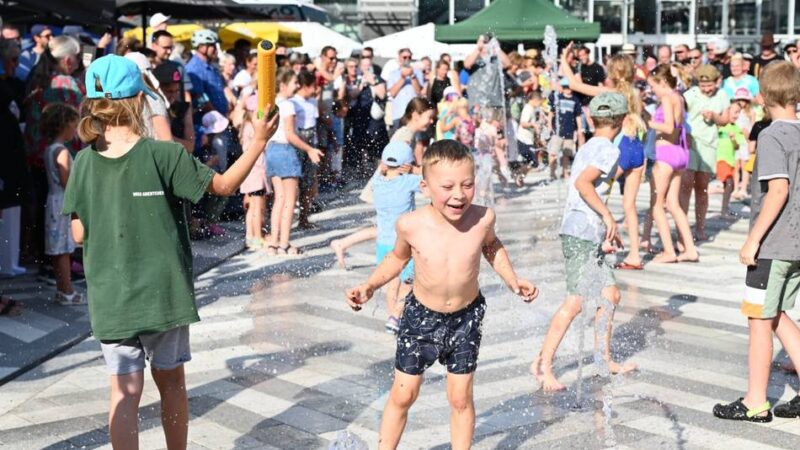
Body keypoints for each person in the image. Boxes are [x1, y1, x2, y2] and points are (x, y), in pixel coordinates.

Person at [62, 54, 278, 450]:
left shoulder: (82, 164)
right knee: (172, 384)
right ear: (141, 102)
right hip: (163, 294)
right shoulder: (165, 154)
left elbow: (77, 232)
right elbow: (226, 186)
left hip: (112, 297)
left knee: (124, 393)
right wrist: (260, 139)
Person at [346, 140, 539, 449]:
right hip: (421, 318)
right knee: (404, 393)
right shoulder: (411, 225)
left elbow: (492, 248)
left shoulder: (482, 218)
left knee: (460, 397)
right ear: (424, 186)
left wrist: (514, 281)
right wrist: (369, 286)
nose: (458, 194)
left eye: (467, 184)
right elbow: (396, 258)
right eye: (447, 186)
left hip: (466, 317)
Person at [713, 61, 800, 423]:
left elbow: (777, 191)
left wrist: (753, 240)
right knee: (777, 314)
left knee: (758, 321)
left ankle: (754, 402)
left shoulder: (771, 136)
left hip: (774, 245)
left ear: (763, 96)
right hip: (796, 245)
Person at [532, 92, 637, 391]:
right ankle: (542, 364)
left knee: (610, 295)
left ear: (592, 119)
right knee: (575, 302)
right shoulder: (607, 149)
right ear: (621, 120)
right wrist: (608, 217)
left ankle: (603, 360)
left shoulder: (590, 144)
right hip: (581, 231)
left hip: (584, 231)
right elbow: (582, 183)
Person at [562, 47, 647, 270]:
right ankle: (635, 256)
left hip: (621, 147)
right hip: (637, 148)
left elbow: (574, 86)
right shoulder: (636, 94)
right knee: (630, 205)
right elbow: (643, 119)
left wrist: (563, 60)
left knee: (600, 193)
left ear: (612, 71)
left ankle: (605, 241)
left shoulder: (610, 94)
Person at [265, 70, 324, 256]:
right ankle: (284, 244)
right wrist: (309, 149)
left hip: (272, 150)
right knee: (290, 200)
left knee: (279, 200)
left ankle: (273, 244)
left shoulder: (271, 103)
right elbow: (290, 134)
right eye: (293, 83)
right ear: (282, 85)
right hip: (285, 150)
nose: (297, 86)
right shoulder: (288, 105)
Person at [647, 64, 699, 264]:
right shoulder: (678, 97)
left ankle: (669, 251)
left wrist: (648, 123)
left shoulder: (667, 98)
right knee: (674, 204)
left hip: (666, 153)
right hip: (680, 152)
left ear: (662, 82)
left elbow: (669, 127)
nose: (653, 91)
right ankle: (690, 250)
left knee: (657, 206)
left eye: (654, 86)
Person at [372, 142, 420, 334]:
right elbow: (431, 184)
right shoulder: (408, 181)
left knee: (391, 282)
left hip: (383, 242)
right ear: (406, 163)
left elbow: (379, 172)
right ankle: (397, 314)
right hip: (404, 242)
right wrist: (415, 171)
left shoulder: (377, 182)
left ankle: (392, 318)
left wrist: (381, 167)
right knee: (410, 282)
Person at [41, 103, 84, 305]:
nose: (75, 130)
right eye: (74, 125)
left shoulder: (49, 149)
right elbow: (68, 183)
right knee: (64, 250)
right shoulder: (63, 152)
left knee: (58, 250)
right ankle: (67, 290)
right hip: (63, 204)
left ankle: (62, 289)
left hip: (52, 201)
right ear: (64, 126)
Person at [681, 64, 730, 242]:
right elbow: (679, 114)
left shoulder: (723, 95)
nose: (706, 89)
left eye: (709, 85)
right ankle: (683, 227)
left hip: (709, 144)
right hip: (691, 143)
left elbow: (725, 120)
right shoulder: (691, 94)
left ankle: (700, 228)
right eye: (703, 86)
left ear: (717, 82)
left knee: (702, 189)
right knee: (685, 186)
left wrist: (714, 117)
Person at [239, 95, 271, 250]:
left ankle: (250, 235)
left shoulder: (245, 126)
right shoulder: (253, 128)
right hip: (256, 171)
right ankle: (258, 236)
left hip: (250, 172)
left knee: (252, 206)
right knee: (257, 205)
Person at [548, 78, 584, 179]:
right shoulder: (558, 98)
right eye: (565, 87)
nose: (567, 89)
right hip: (557, 131)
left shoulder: (575, 100)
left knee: (566, 154)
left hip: (569, 130)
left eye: (568, 87)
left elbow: (577, 116)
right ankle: (552, 172)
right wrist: (549, 125)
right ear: (562, 88)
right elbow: (551, 112)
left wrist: (579, 129)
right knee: (553, 152)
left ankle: (565, 172)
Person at [186, 29, 227, 116]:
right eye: (213, 45)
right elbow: (200, 98)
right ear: (201, 47)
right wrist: (218, 117)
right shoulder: (194, 69)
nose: (216, 49)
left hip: (220, 119)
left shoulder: (210, 67)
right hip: (207, 123)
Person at [715, 105, 746, 218]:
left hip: (731, 161)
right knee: (729, 183)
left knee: (729, 186)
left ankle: (725, 208)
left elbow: (738, 146)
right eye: (735, 112)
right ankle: (724, 211)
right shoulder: (720, 126)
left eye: (739, 112)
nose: (736, 115)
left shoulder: (736, 128)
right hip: (720, 159)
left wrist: (733, 139)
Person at [387, 48, 425, 133]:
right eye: (404, 57)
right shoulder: (393, 74)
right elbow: (392, 93)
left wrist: (412, 76)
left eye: (409, 57)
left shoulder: (418, 73)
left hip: (414, 114)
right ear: (399, 58)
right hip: (398, 114)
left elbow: (419, 92)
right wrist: (403, 78)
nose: (407, 59)